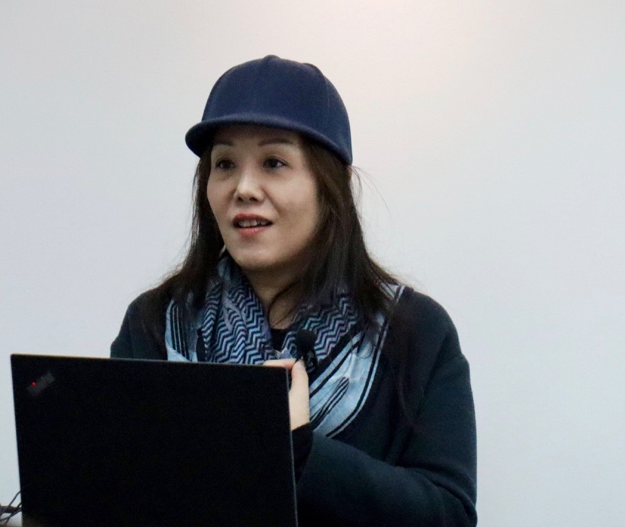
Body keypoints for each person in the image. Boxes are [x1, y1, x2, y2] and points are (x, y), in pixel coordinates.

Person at [111, 55, 477, 527]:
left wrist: (301, 450)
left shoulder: (415, 332)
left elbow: (449, 514)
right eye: (224, 164)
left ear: (331, 186)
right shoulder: (157, 323)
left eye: (274, 163)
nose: (244, 188)